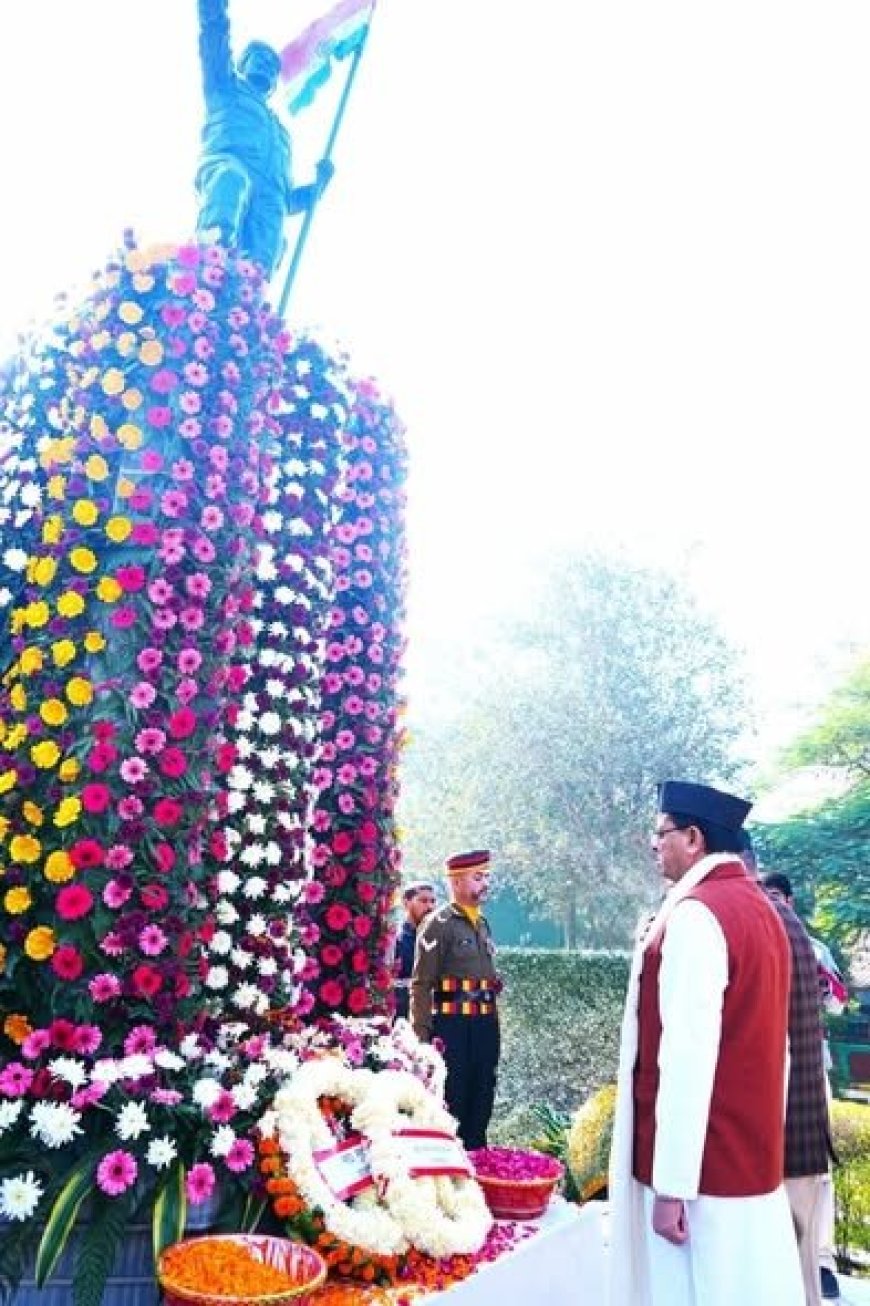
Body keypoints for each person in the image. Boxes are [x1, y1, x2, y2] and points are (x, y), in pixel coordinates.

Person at [608, 780, 803, 1306]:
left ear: (693, 839)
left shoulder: (697, 913)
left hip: (702, 1173)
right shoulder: (760, 909)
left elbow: (685, 1059)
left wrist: (672, 1186)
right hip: (747, 1153)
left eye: (661, 833)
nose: (654, 845)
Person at [195, 0, 333, 278]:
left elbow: (286, 198)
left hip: (270, 199)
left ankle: (248, 309)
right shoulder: (225, 86)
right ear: (243, 63)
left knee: (263, 253)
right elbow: (213, 34)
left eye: (273, 64)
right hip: (230, 163)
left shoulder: (282, 135)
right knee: (230, 179)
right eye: (259, 56)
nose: (267, 64)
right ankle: (210, 263)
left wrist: (317, 187)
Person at [763, 870, 845, 1302]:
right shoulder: (761, 936)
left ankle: (823, 1259)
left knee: (814, 1172)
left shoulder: (814, 948)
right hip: (776, 1067)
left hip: (813, 1067)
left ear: (789, 901)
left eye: (775, 894)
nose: (768, 900)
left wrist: (821, 985)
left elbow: (837, 999)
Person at [410, 849, 500, 1151]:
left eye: (485, 876)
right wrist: (421, 1038)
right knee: (455, 1095)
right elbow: (421, 984)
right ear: (457, 882)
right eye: (478, 877)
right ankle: (451, 1162)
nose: (484, 883)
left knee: (483, 1091)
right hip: (453, 1027)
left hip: (484, 1025)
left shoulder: (483, 924)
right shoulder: (439, 924)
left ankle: (478, 1157)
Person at [393, 879, 437, 1022]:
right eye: (423, 901)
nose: (430, 906)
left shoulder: (439, 939)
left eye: (432, 901)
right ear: (406, 903)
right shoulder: (395, 939)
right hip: (403, 1020)